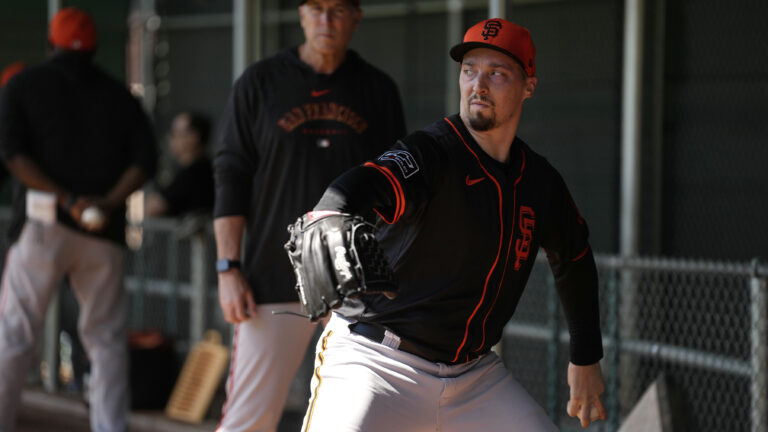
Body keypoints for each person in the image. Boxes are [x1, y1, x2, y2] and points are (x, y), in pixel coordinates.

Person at [297, 18, 607, 431]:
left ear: (529, 85)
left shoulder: (540, 182)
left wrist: (585, 357)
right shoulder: (432, 152)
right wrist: (331, 212)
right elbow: (360, 186)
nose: (478, 84)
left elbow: (575, 258)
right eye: (469, 70)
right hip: (378, 362)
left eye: (496, 73)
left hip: (473, 377)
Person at [212, 0, 406, 429]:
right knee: (250, 417)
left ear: (357, 15)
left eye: (338, 9)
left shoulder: (376, 89)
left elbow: (397, 188)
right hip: (272, 276)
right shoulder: (261, 82)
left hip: (356, 282)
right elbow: (231, 175)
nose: (326, 20)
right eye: (316, 8)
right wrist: (229, 267)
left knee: (356, 418)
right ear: (300, 14)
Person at [0, 7, 157, 432]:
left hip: (43, 223)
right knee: (105, 341)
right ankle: (110, 426)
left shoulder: (24, 84)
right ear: (94, 48)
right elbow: (146, 161)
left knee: (14, 335)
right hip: (100, 229)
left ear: (50, 44)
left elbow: (14, 155)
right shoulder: (119, 94)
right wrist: (107, 202)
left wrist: (67, 199)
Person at [145, 111, 214, 217]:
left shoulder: (194, 173)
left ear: (193, 137)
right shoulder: (204, 168)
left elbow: (153, 208)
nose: (170, 140)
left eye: (175, 134)